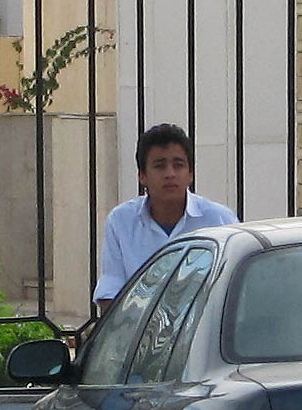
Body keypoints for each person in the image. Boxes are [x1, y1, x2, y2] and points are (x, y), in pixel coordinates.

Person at [93, 123, 237, 312]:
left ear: (190, 174)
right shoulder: (121, 222)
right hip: (140, 333)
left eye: (178, 165)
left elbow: (235, 289)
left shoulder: (220, 221)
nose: (170, 174)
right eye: (159, 166)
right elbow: (111, 291)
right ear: (142, 176)